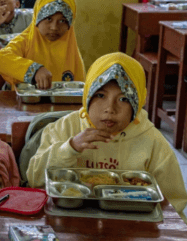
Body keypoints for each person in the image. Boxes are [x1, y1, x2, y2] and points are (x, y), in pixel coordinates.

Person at [25, 52, 187, 218]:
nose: (110, 108)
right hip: (69, 223)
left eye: (124, 99)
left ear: (137, 103)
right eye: (100, 95)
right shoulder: (64, 128)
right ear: (87, 94)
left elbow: (174, 203)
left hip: (131, 227)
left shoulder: (152, 140)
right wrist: (69, 148)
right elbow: (34, 178)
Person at [0, 0, 85, 90]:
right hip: (25, 104)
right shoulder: (25, 41)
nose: (54, 27)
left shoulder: (71, 49)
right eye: (48, 19)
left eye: (62, 21)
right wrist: (33, 70)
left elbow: (80, 90)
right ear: (37, 17)